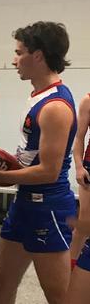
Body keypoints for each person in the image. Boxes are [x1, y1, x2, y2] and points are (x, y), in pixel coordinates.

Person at [0, 22, 77, 304]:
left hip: (47, 207)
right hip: (24, 203)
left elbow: (49, 172)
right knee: (3, 282)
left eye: (19, 52)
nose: (14, 60)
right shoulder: (38, 95)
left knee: (58, 295)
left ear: (38, 55)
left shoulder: (54, 108)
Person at [66, 93, 90, 304]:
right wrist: (79, 166)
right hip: (89, 168)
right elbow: (79, 136)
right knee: (85, 223)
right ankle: (70, 269)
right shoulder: (88, 100)